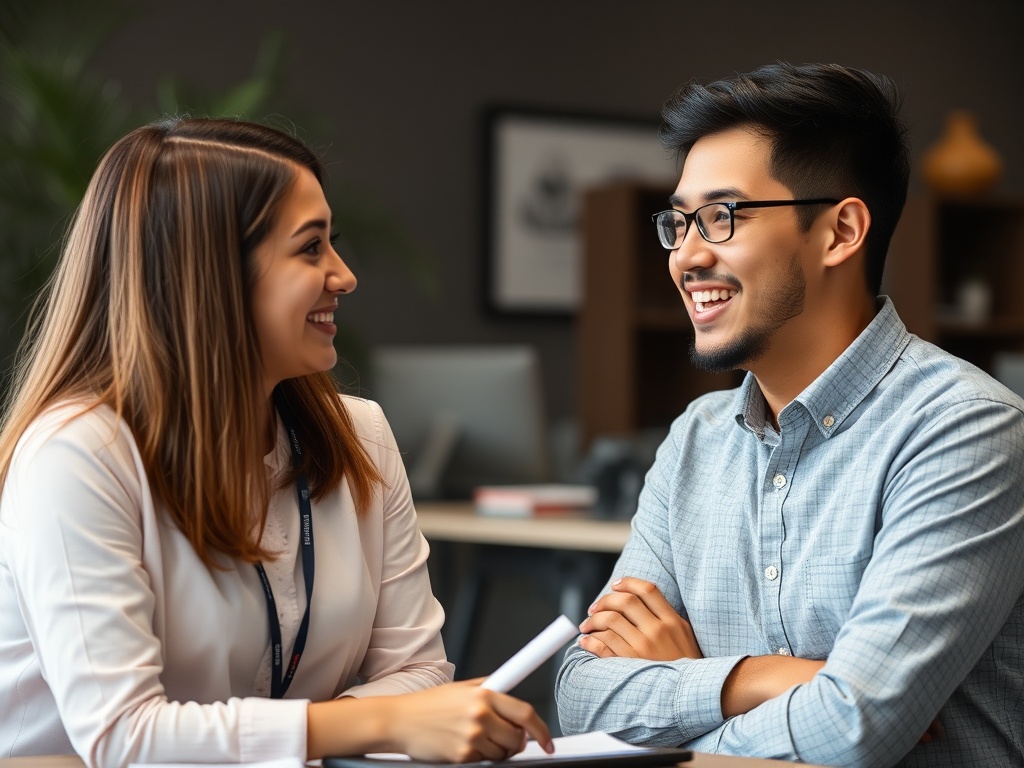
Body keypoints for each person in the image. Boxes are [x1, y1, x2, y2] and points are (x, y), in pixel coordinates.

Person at [0, 117, 552, 768]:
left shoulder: (361, 437)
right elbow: (125, 738)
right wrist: (376, 723)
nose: (343, 276)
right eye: (310, 248)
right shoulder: (77, 456)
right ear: (208, 274)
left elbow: (418, 673)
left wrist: (366, 723)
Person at [555, 62, 1024, 767]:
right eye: (678, 222)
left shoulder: (963, 430)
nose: (686, 255)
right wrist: (759, 680)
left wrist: (680, 696)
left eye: (721, 217)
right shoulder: (695, 441)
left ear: (840, 231)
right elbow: (581, 695)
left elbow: (852, 732)